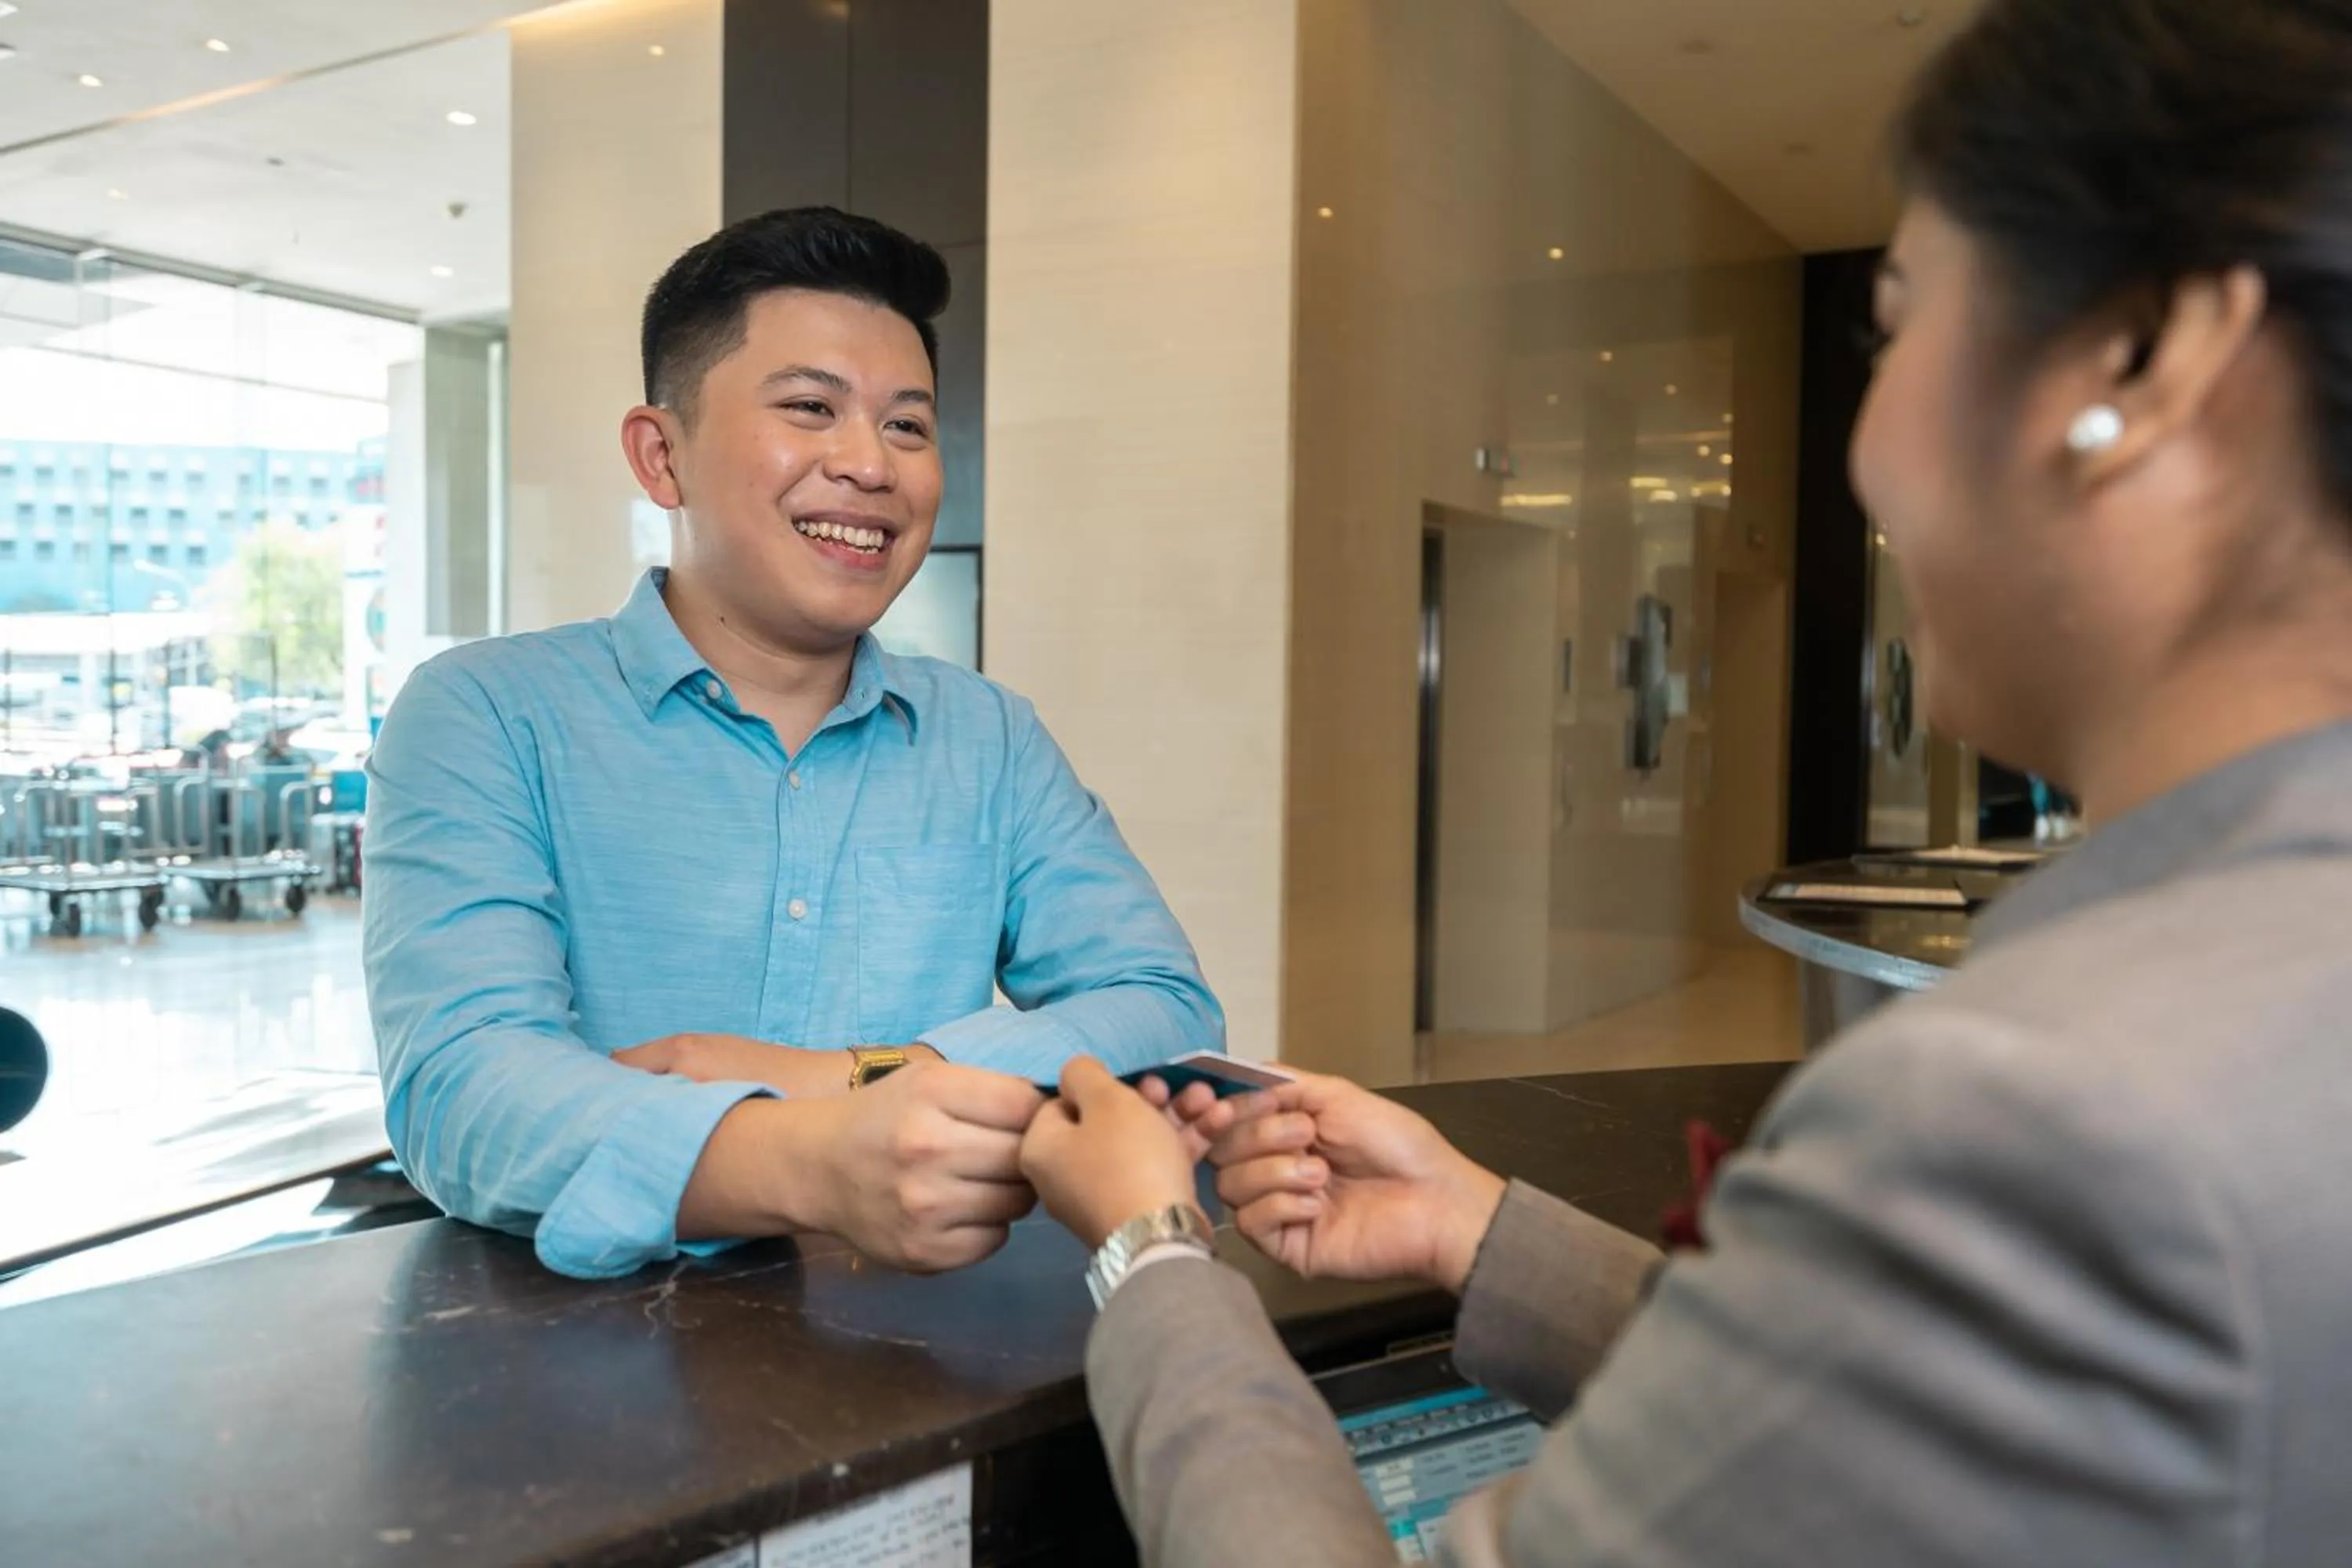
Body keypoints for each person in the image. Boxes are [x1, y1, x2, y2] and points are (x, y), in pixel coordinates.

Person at [1020, 0, 2352, 1560]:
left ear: (2146, 359)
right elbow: (1894, 1431)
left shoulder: (2037, 1113)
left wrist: (1152, 1259)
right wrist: (1476, 1229)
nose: (1872, 441)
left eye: (1905, 319)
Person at [365, 208, 1221, 1281]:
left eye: (908, 427)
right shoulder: (487, 714)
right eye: (812, 409)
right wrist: (810, 1162)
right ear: (660, 454)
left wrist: (852, 1080)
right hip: (579, 1367)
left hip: (928, 1350)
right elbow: (463, 1087)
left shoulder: (986, 737)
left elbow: (1166, 1008)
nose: (871, 465)